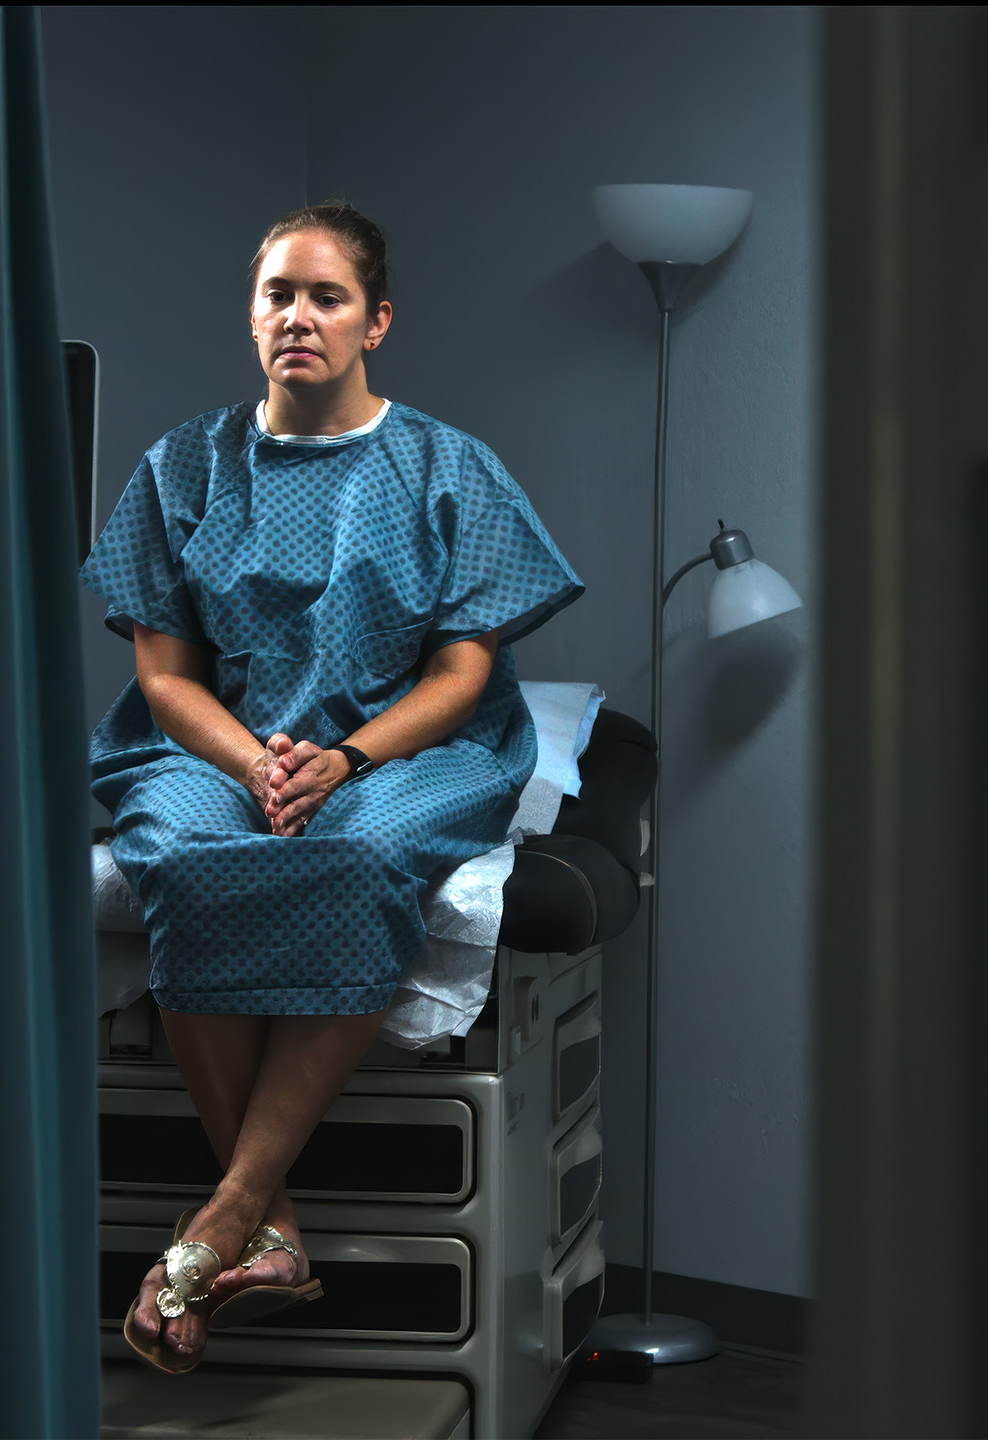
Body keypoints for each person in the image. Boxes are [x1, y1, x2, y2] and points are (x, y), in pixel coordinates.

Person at [81, 201, 582, 1373]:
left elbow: (465, 672)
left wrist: (348, 760)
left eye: (326, 297)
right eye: (277, 295)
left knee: (360, 855)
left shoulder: (447, 467)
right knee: (185, 854)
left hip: (407, 746)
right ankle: (276, 1233)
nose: (298, 317)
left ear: (377, 321)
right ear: (251, 315)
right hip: (217, 744)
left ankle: (227, 1210)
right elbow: (162, 676)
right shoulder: (184, 464)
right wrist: (255, 760)